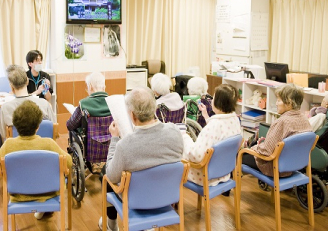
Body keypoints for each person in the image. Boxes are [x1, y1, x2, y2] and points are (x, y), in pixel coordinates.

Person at [99, 86, 184, 231]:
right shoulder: (175, 132)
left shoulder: (124, 145)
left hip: (136, 200)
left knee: (105, 173)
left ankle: (111, 224)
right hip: (167, 196)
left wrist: (114, 139)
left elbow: (112, 176)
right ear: (155, 108)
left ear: (132, 116)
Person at [0, 100, 72, 220]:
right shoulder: (48, 143)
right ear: (37, 126)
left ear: (15, 125)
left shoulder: (8, 145)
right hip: (49, 193)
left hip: (19, 194)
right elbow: (68, 162)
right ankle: (44, 208)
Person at [242, 84, 312, 177]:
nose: (276, 103)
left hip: (275, 167)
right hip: (294, 165)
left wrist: (252, 148)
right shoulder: (305, 119)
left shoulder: (282, 122)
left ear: (289, 103)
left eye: (279, 100)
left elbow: (267, 151)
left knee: (239, 155)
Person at [181, 84, 241, 186]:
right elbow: (220, 132)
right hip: (224, 171)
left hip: (205, 176)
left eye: (213, 98)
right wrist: (205, 115)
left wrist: (185, 137)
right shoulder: (234, 119)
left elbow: (196, 156)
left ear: (219, 102)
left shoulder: (213, 126)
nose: (212, 100)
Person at [0, 65, 56, 139]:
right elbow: (54, 129)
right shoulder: (44, 104)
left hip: (17, 149)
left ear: (11, 86)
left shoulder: (5, 108)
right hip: (43, 148)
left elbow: (3, 135)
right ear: (27, 81)